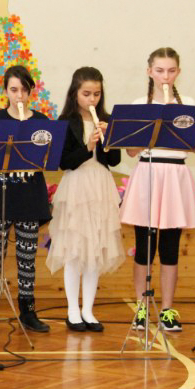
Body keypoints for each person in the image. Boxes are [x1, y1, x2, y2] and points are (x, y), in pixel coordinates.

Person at [118, 47, 195, 331]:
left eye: (170, 71)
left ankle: (168, 310)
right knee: (144, 248)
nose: (165, 76)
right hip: (148, 172)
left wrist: (173, 115)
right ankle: (142, 308)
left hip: (175, 175)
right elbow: (131, 151)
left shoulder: (188, 104)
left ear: (178, 72)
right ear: (149, 72)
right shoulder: (138, 104)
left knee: (170, 248)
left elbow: (192, 147)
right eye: (159, 70)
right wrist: (149, 130)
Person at [46, 67, 124, 332]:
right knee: (75, 251)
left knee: (95, 251)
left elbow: (114, 160)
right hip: (77, 185)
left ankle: (88, 310)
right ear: (75, 93)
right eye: (86, 94)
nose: (92, 99)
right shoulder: (65, 121)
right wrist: (88, 147)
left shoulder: (108, 120)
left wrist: (108, 139)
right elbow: (64, 162)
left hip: (100, 186)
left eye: (97, 94)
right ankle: (72, 310)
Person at [0, 65, 51, 334]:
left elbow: (48, 158)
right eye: (13, 90)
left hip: (30, 197)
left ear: (30, 91)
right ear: (6, 92)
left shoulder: (41, 122)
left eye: (24, 90)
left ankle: (28, 311)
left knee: (27, 259)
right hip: (2, 196)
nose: (19, 95)